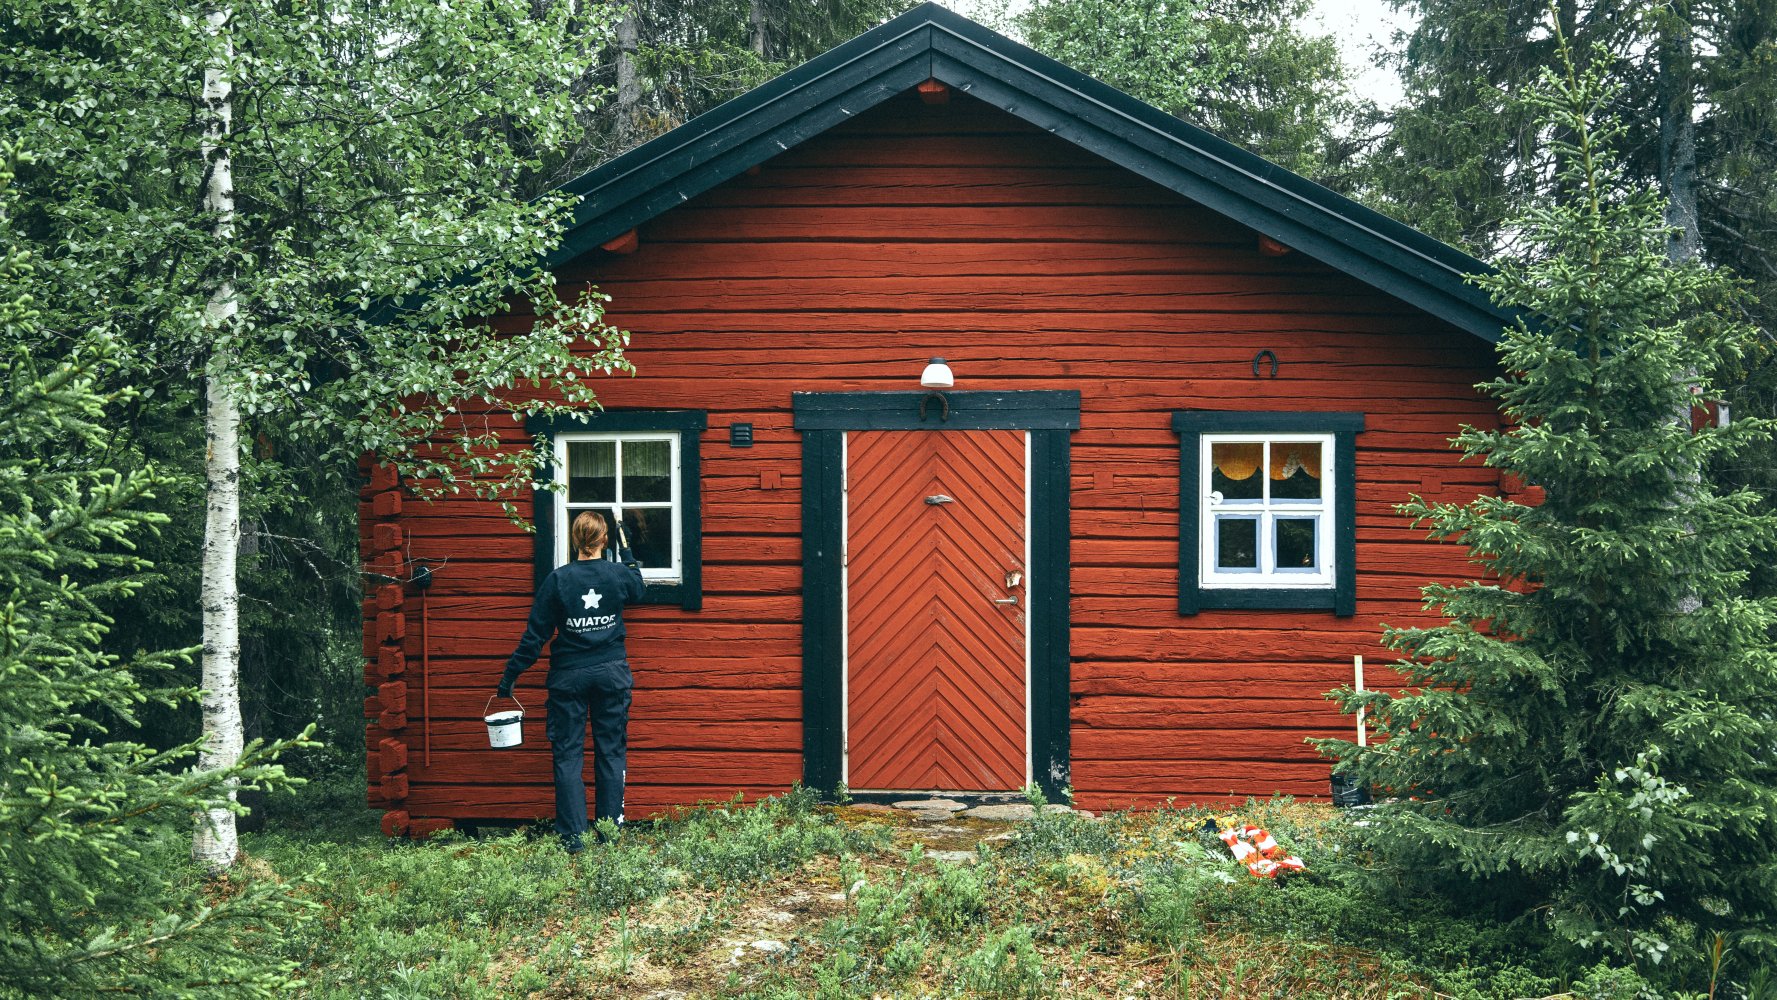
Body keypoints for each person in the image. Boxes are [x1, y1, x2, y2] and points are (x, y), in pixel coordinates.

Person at [497, 510, 644, 853]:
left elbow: (535, 637)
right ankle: (609, 834)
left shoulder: (558, 580)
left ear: (575, 539)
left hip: (568, 679)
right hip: (611, 675)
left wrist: (510, 677)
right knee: (611, 753)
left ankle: (574, 840)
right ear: (602, 540)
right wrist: (627, 551)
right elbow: (639, 588)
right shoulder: (617, 575)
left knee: (567, 756)